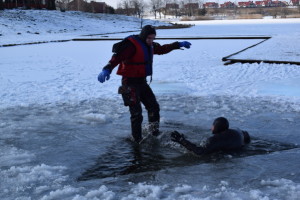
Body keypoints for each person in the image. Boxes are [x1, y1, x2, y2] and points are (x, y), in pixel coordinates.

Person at [97, 25, 191, 143]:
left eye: (153, 38)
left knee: (154, 107)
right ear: (143, 36)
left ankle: (153, 132)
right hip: (129, 83)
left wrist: (178, 44)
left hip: (142, 82)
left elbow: (162, 49)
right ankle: (137, 139)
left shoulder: (149, 45)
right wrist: (107, 68)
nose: (151, 41)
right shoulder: (130, 45)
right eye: (149, 38)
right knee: (136, 114)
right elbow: (117, 58)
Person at [171, 117, 251, 155]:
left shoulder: (216, 139)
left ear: (217, 127)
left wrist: (182, 140)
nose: (211, 128)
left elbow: (200, 152)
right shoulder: (237, 131)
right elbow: (246, 134)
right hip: (239, 149)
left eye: (213, 125)